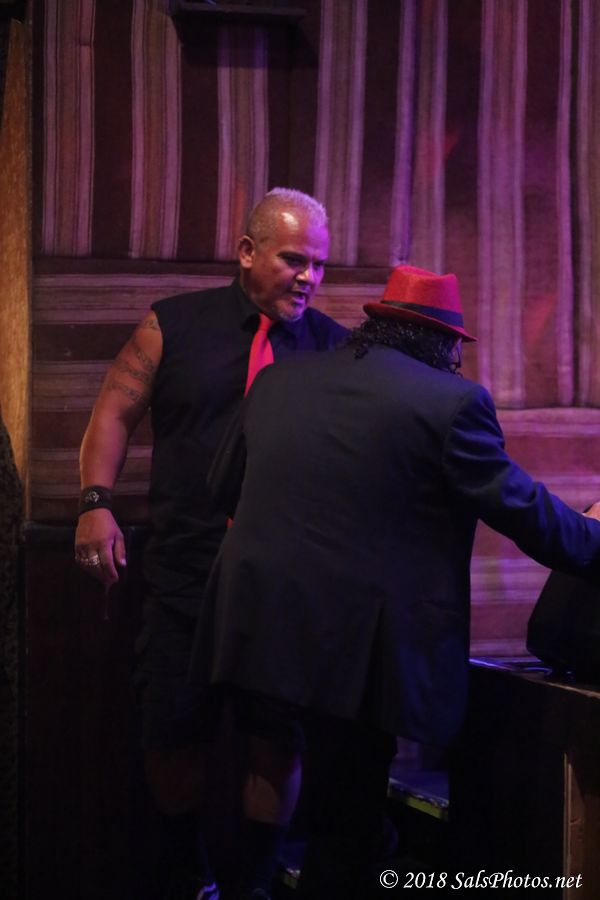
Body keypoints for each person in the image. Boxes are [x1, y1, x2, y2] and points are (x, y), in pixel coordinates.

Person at [190, 264, 600, 899]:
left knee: (279, 775)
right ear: (441, 342)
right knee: (347, 822)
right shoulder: (451, 402)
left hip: (255, 620)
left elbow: (222, 490)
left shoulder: (279, 379)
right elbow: (526, 515)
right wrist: (594, 535)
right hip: (354, 645)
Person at [74, 188, 347, 900]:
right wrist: (96, 503)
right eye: (294, 259)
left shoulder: (334, 349)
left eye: (319, 264)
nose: (309, 277)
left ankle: (255, 884)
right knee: (170, 732)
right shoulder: (174, 325)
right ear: (248, 251)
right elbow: (113, 412)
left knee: (277, 740)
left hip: (284, 585)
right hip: (184, 572)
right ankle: (189, 877)